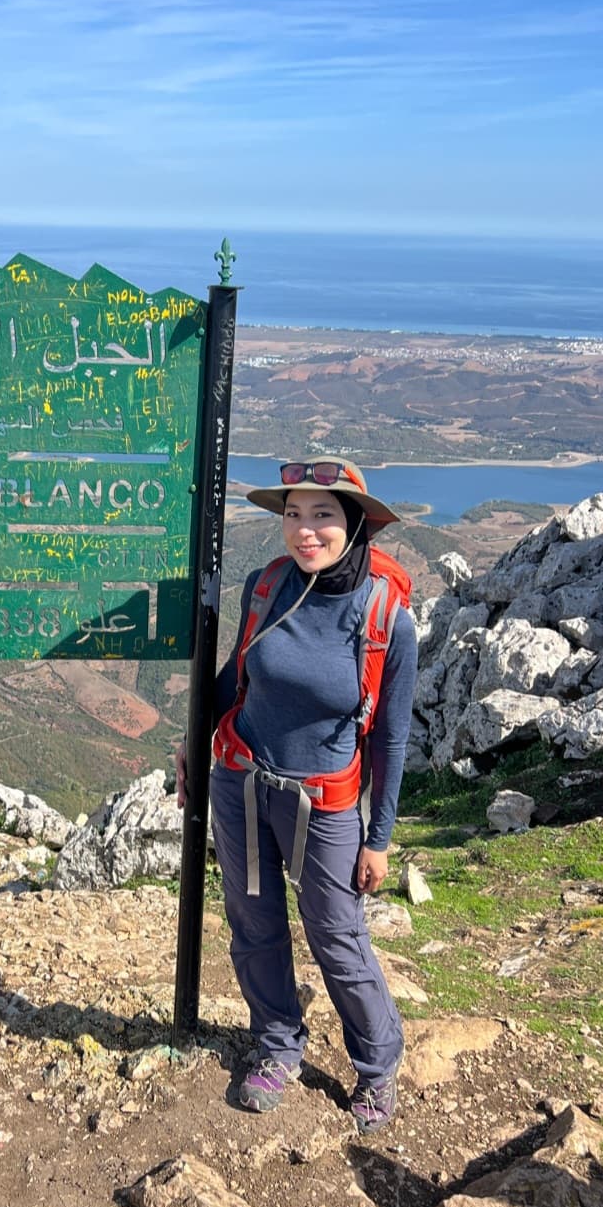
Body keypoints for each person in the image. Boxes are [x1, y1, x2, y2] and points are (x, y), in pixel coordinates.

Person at [178, 459, 418, 1133]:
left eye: (323, 515)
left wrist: (379, 838)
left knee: (337, 937)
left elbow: (390, 742)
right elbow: (235, 680)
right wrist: (195, 744)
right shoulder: (267, 586)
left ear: (355, 524)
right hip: (241, 781)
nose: (305, 529)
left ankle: (376, 1067)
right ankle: (278, 1045)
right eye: (293, 513)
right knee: (253, 923)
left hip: (327, 802)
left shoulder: (386, 618)